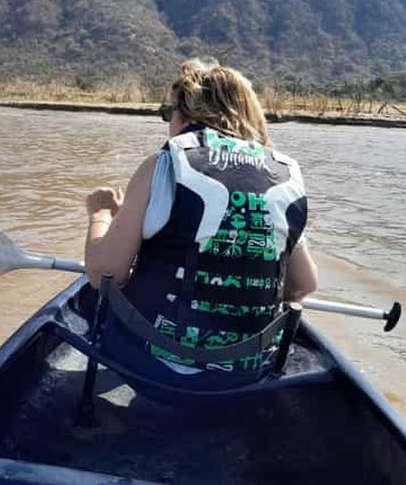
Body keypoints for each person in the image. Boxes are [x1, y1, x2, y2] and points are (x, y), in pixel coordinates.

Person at [83, 59, 318, 390]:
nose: (168, 123)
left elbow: (103, 273)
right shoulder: (286, 176)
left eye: (168, 113)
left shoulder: (166, 162)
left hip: (152, 370)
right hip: (244, 377)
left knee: (91, 299)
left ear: (186, 114)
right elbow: (303, 284)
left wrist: (101, 213)